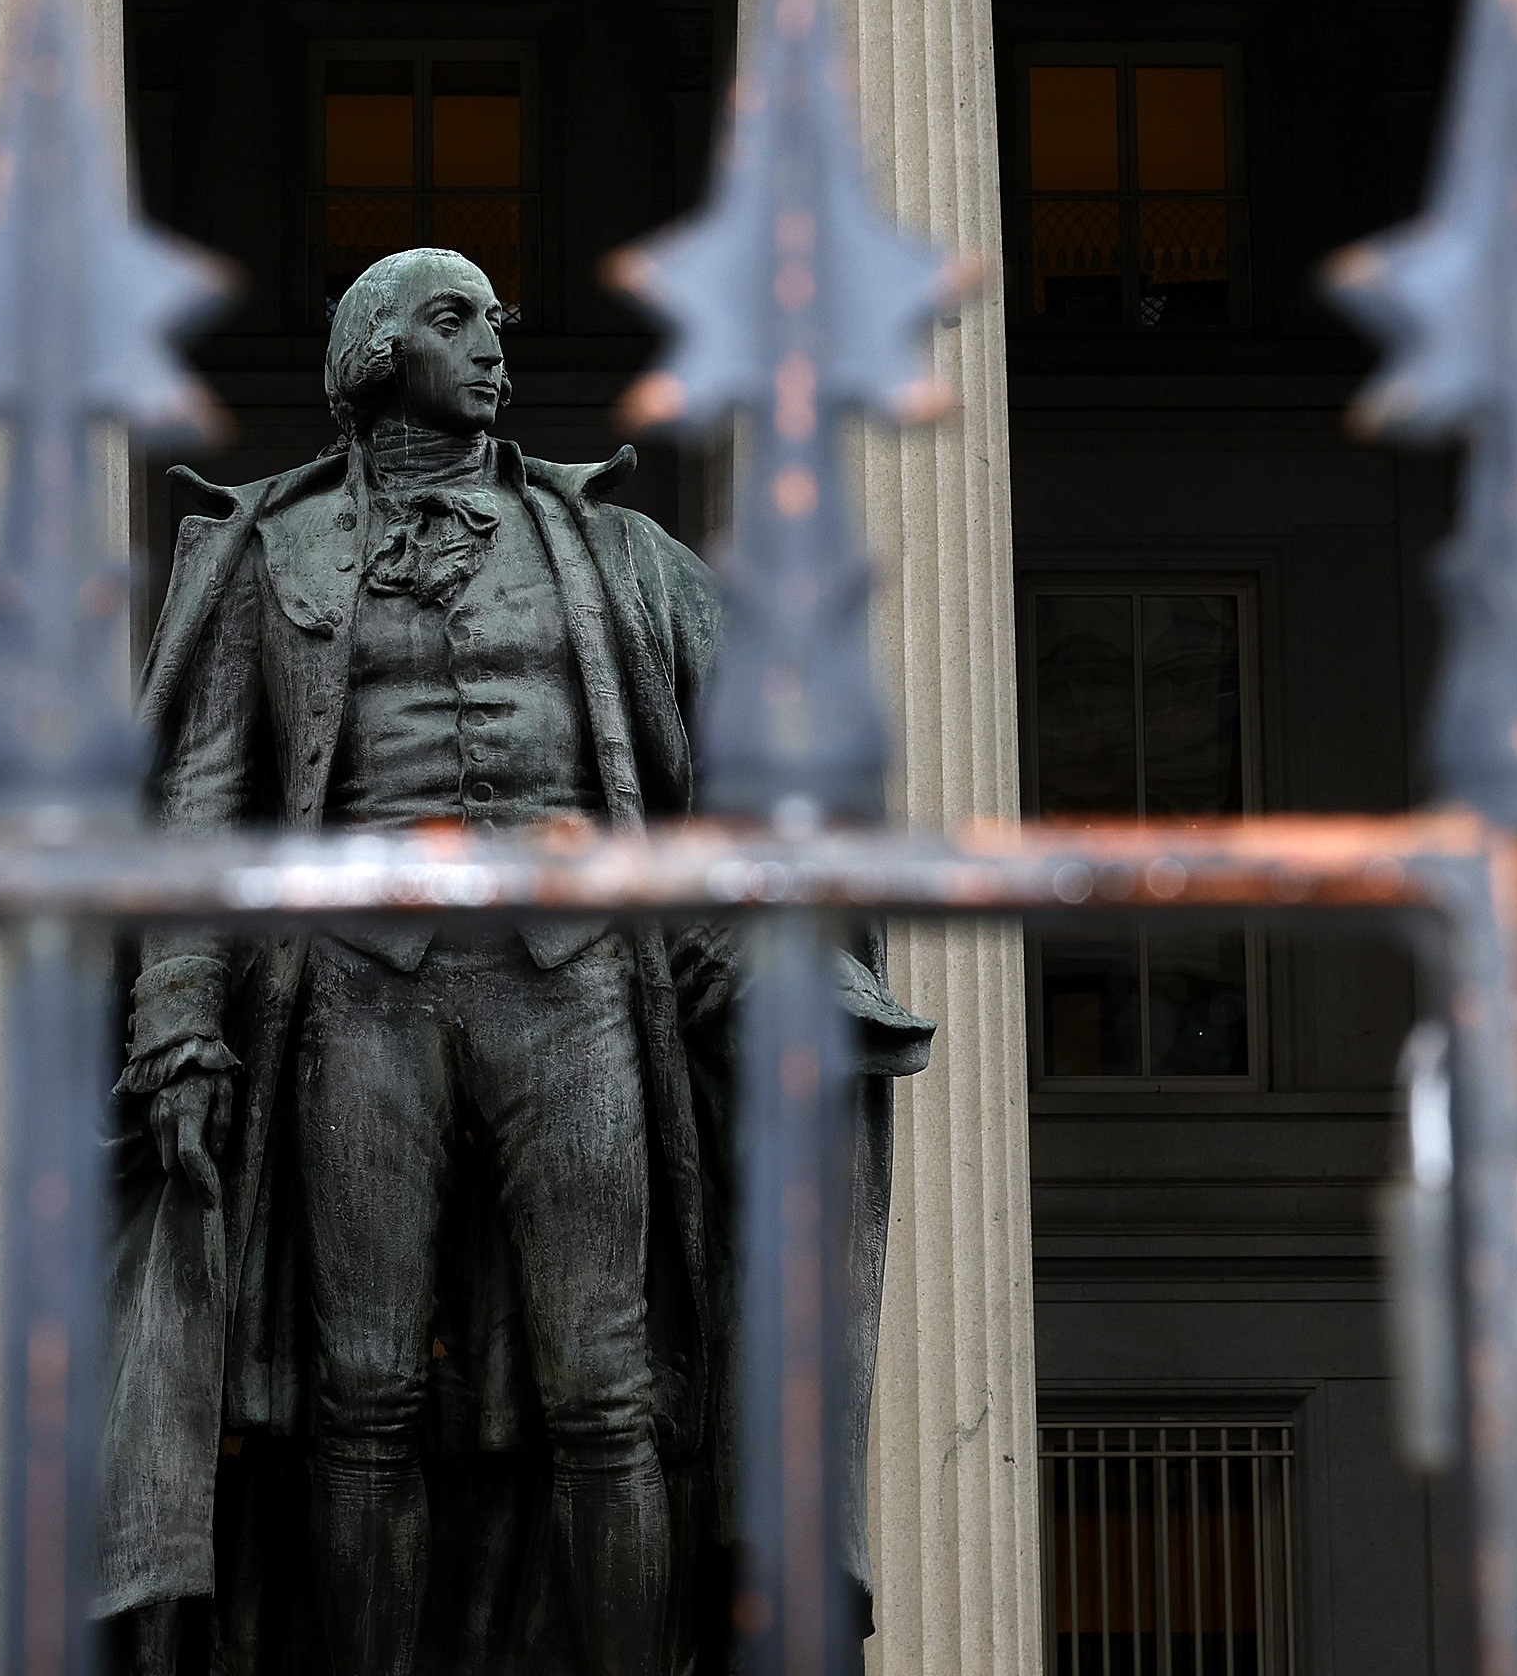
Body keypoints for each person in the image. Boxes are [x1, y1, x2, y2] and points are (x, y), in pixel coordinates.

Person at [102, 247, 929, 1675]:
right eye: (455, 320)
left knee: (606, 1391)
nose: (494, 345)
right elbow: (198, 805)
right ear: (370, 353)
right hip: (359, 991)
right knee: (360, 1394)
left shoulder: (612, 553)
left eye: (495, 320)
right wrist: (180, 1019)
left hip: (575, 984)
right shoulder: (266, 558)